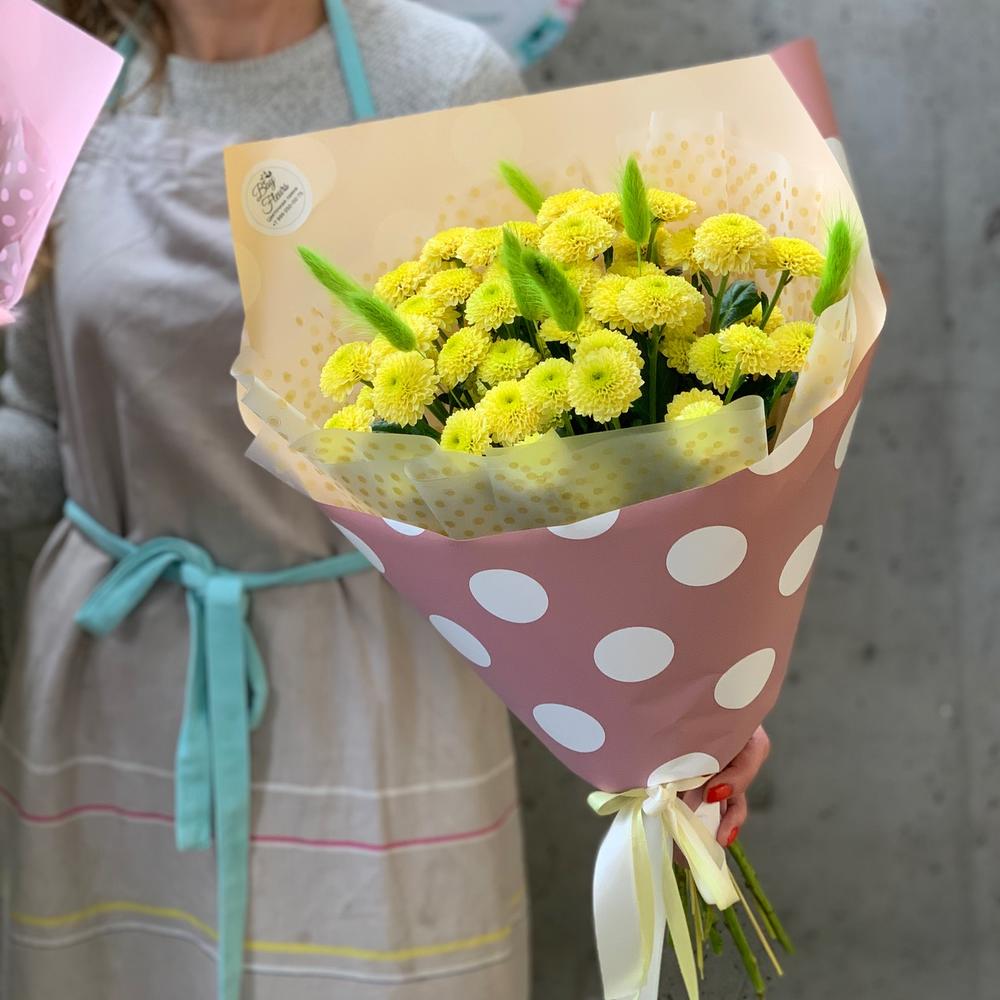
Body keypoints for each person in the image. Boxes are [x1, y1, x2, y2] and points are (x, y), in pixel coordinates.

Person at [0, 2, 769, 998]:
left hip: (378, 699)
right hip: (112, 702)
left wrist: (691, 700)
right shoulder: (51, 86)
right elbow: (39, 425)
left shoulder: (443, 80)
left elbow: (567, 434)